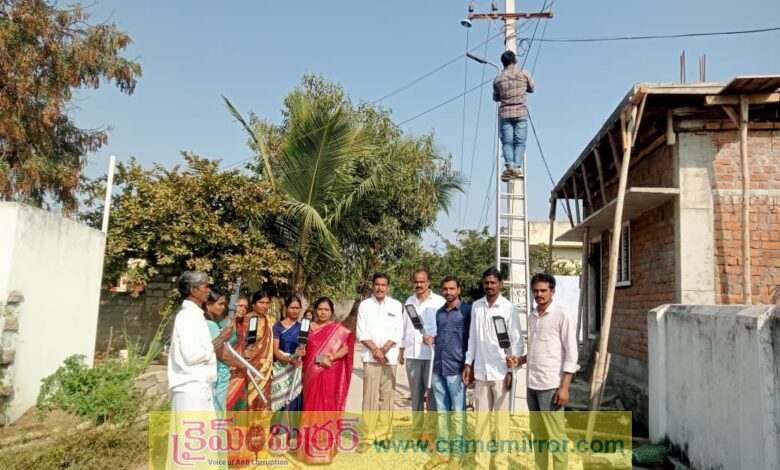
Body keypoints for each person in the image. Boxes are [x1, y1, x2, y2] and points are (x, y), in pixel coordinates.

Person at [462, 268, 524, 470]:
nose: (489, 286)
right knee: (481, 422)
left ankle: (501, 464)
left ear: (501, 284)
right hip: (481, 372)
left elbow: (517, 342)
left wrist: (512, 372)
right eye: (486, 282)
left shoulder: (508, 308)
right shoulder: (476, 306)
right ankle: (481, 464)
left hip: (501, 373)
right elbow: (472, 338)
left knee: (501, 423)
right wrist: (469, 363)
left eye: (493, 282)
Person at [523, 273, 578, 470]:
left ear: (552, 291)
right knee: (538, 435)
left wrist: (564, 387)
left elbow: (572, 354)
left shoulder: (562, 315)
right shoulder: (532, 317)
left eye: (543, 290)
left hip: (551, 386)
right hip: (532, 384)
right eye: (536, 291)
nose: (539, 294)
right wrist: (520, 359)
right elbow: (536, 350)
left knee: (556, 438)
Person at [298, 297, 355, 465]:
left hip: (329, 373)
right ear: (315, 310)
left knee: (326, 407)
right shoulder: (307, 328)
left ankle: (324, 450)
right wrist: (302, 353)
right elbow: (304, 349)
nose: (323, 313)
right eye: (320, 309)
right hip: (311, 373)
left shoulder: (338, 329)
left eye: (326, 310)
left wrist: (331, 357)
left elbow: (346, 348)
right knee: (310, 407)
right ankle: (308, 450)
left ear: (331, 312)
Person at [168, 271, 234, 412]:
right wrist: (221, 339)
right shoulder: (187, 316)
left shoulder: (196, 314)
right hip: (190, 389)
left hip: (201, 387)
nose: (208, 290)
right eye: (205, 286)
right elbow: (192, 355)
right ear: (194, 290)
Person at [423, 276, 471, 469]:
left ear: (459, 290)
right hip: (438, 368)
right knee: (442, 412)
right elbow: (443, 336)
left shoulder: (467, 311)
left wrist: (469, 366)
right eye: (445, 289)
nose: (448, 292)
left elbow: (472, 340)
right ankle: (442, 452)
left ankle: (458, 455)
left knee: (458, 413)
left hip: (457, 369)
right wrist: (433, 339)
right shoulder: (440, 313)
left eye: (452, 288)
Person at [355, 272, 403, 452]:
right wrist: (376, 350)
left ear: (387, 287)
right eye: (377, 284)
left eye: (383, 285)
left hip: (389, 357)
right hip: (370, 357)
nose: (380, 288)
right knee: (369, 397)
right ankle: (367, 437)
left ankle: (383, 435)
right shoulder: (365, 305)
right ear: (372, 286)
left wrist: (383, 350)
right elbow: (361, 332)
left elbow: (398, 332)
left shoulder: (396, 305)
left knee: (387, 397)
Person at [226, 290, 275, 463]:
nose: (265, 306)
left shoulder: (270, 321)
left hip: (264, 373)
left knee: (261, 407)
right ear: (254, 304)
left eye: (267, 303)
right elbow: (235, 343)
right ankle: (241, 451)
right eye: (261, 302)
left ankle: (259, 448)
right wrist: (243, 354)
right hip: (245, 372)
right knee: (245, 408)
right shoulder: (244, 320)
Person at [400, 268, 445, 443]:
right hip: (412, 355)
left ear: (428, 282)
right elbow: (405, 327)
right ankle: (417, 432)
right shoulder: (409, 302)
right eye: (416, 281)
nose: (419, 284)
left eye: (422, 281)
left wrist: (435, 339)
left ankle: (431, 432)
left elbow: (444, 327)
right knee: (416, 395)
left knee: (432, 396)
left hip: (432, 355)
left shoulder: (439, 302)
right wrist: (402, 349)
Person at [493, 49, 535, 181]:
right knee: (520, 142)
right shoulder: (524, 73)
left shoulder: (498, 79)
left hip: (505, 114)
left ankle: (509, 165)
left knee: (507, 142)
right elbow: (532, 88)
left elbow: (495, 98)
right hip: (521, 113)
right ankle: (516, 167)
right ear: (515, 60)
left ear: (503, 63)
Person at [270, 296, 306, 413]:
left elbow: (305, 348)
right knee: (279, 398)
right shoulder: (277, 327)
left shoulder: (303, 327)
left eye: (297, 308)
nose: (295, 310)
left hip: (296, 369)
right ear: (286, 308)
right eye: (292, 308)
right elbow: (275, 351)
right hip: (281, 369)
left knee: (294, 397)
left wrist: (302, 353)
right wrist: (289, 360)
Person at [203, 288, 235, 412]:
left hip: (216, 375)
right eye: (220, 304)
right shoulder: (210, 325)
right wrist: (241, 365)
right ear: (208, 305)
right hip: (218, 376)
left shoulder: (212, 323)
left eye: (224, 304)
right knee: (217, 412)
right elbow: (222, 355)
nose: (223, 307)